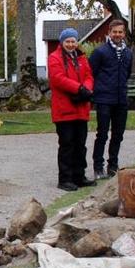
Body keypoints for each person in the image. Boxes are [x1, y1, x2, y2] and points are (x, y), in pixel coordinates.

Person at [48, 27, 96, 192]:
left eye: (73, 41)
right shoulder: (54, 58)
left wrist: (86, 89)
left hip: (80, 107)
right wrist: (78, 89)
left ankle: (79, 175)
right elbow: (58, 79)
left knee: (80, 144)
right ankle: (65, 178)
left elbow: (89, 75)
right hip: (64, 109)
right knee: (67, 144)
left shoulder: (81, 58)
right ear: (62, 42)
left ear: (77, 42)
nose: (70, 44)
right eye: (67, 41)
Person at [89, 19, 133, 179]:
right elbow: (91, 74)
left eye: (120, 32)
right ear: (109, 33)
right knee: (102, 134)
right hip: (104, 99)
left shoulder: (128, 52)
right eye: (114, 32)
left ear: (123, 33)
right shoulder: (100, 52)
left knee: (118, 134)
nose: (117, 35)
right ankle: (98, 166)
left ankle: (113, 165)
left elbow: (127, 73)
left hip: (121, 99)